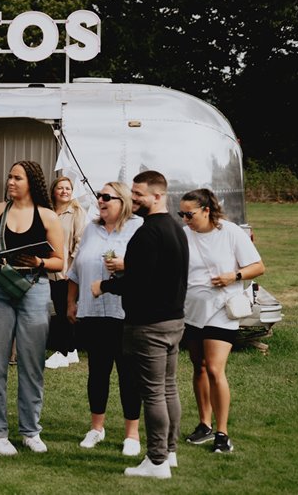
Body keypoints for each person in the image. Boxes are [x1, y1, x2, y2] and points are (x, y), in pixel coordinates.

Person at [91, 170, 188, 479]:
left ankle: (157, 461)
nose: (133, 198)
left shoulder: (147, 234)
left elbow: (136, 284)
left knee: (154, 394)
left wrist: (105, 286)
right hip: (174, 322)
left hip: (149, 326)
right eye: (131, 193)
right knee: (169, 388)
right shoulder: (176, 229)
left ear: (158, 196)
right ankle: (169, 452)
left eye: (138, 194)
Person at [0, 160, 65, 456]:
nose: (11, 181)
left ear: (32, 182)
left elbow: (60, 261)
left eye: (17, 177)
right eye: (9, 176)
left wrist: (39, 262)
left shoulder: (47, 217)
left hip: (34, 288)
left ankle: (30, 431)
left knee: (32, 364)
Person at [179, 188, 265, 454]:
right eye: (181, 214)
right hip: (192, 309)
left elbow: (258, 266)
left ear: (206, 210)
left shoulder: (230, 232)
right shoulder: (184, 234)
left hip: (221, 308)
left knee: (215, 369)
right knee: (199, 367)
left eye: (189, 214)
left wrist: (234, 276)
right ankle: (204, 424)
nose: (185, 219)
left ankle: (222, 432)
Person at [67, 182, 143, 455]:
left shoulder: (138, 227)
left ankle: (131, 434)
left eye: (106, 197)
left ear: (122, 202)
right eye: (99, 196)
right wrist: (71, 302)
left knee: (128, 375)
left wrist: (126, 265)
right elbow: (76, 269)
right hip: (93, 313)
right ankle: (96, 428)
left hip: (125, 314)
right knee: (97, 372)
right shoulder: (91, 229)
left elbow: (151, 267)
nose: (100, 200)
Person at [45, 176, 86, 369]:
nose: (64, 191)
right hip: (49, 269)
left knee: (64, 312)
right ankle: (71, 351)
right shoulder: (48, 212)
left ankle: (61, 352)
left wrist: (73, 268)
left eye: (68, 188)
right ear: (54, 191)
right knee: (60, 310)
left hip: (66, 271)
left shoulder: (77, 212)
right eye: (60, 188)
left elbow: (80, 241)